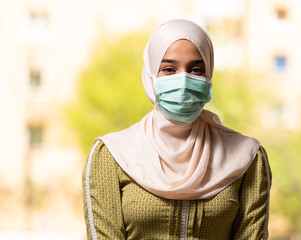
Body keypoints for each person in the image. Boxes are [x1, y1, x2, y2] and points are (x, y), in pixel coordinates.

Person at [82, 19, 271, 240]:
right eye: (169, 69)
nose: (183, 81)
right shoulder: (112, 154)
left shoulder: (247, 158)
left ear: (209, 76)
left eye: (196, 69)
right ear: (151, 75)